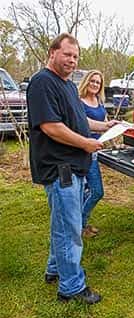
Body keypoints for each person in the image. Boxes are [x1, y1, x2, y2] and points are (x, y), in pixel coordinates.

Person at [27, 33, 117, 304]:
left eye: (76, 56)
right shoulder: (43, 83)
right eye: (67, 54)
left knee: (62, 224)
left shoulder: (67, 85)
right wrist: (86, 145)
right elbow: (51, 127)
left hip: (73, 167)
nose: (72, 60)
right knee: (70, 229)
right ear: (52, 52)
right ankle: (72, 287)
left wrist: (105, 127)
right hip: (60, 168)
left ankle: (54, 269)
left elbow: (79, 120)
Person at [78, 70, 107, 238]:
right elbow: (83, 125)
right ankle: (80, 226)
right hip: (84, 152)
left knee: (85, 191)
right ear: (86, 81)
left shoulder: (98, 101)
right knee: (97, 191)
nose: (95, 84)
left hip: (96, 150)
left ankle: (80, 224)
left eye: (98, 82)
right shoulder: (79, 102)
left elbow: (102, 123)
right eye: (93, 81)